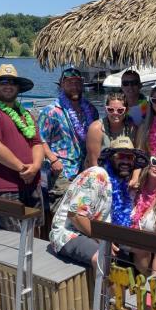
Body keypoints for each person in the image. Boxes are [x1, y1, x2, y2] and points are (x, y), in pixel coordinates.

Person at [50, 136, 148, 267]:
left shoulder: (121, 184)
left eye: (129, 157)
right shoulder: (97, 174)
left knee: (142, 249)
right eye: (121, 156)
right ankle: (105, 288)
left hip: (100, 235)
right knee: (104, 259)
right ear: (111, 158)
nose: (125, 161)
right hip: (69, 233)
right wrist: (103, 240)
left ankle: (147, 282)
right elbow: (76, 216)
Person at [0, 64, 44, 231]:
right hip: (4, 187)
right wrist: (22, 169)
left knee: (35, 230)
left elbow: (37, 143)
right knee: (12, 238)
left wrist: (35, 167)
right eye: (3, 81)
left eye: (12, 82)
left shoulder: (26, 114)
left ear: (18, 87)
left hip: (33, 184)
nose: (8, 85)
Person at [38, 67, 99, 214]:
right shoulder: (51, 111)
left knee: (84, 210)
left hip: (85, 169)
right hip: (62, 171)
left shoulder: (91, 109)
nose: (74, 87)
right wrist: (53, 160)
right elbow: (40, 139)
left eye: (77, 83)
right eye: (69, 83)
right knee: (63, 211)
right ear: (61, 84)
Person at [86, 92, 137, 167]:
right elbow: (94, 164)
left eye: (120, 110)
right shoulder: (96, 128)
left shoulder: (132, 128)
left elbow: (137, 156)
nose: (115, 113)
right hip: (100, 171)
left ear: (126, 110)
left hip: (124, 169)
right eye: (110, 110)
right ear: (105, 109)